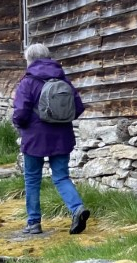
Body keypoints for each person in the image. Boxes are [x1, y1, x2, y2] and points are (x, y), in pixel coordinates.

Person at [12, 43, 90, 236]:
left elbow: (20, 113)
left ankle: (33, 223)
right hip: (62, 136)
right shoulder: (63, 78)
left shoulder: (28, 81)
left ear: (29, 59)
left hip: (34, 137)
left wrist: (20, 124)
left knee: (32, 179)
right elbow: (78, 108)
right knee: (61, 176)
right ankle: (77, 208)